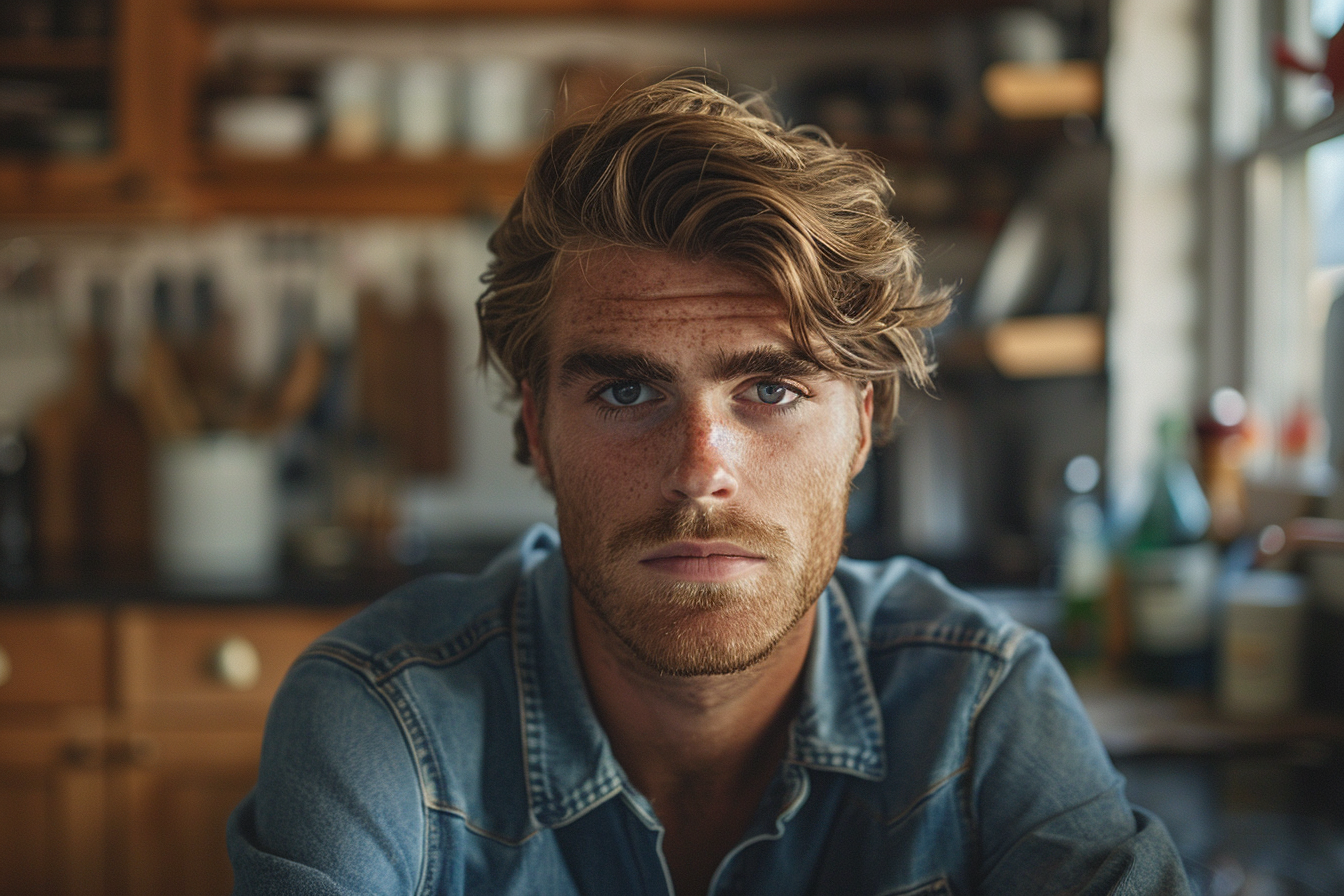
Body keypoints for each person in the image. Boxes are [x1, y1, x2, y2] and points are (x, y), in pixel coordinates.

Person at [227, 77, 1192, 896]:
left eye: (770, 389)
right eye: (626, 389)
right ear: (537, 429)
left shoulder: (981, 708)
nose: (700, 470)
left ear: (861, 424)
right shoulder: (383, 722)